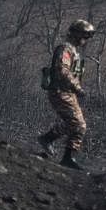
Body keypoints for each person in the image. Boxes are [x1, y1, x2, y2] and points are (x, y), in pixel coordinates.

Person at [37, 19, 95, 170]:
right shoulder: (65, 49)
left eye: (87, 36)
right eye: (84, 35)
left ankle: (51, 142)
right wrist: (77, 88)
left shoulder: (73, 51)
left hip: (67, 92)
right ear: (75, 34)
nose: (85, 39)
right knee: (78, 124)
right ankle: (66, 156)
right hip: (60, 92)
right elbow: (63, 71)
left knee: (75, 124)